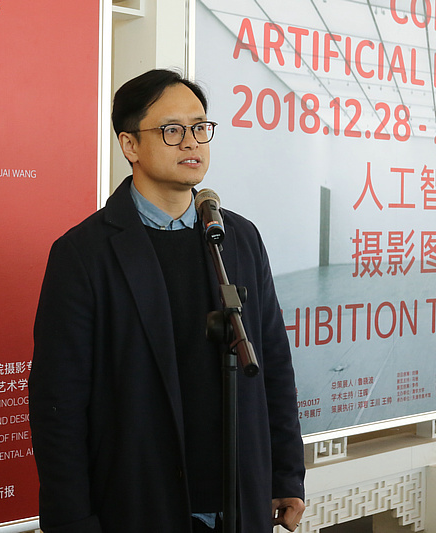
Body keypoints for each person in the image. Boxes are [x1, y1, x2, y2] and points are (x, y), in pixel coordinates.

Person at [28, 69, 306, 533]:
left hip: (239, 500)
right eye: (172, 130)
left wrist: (285, 473)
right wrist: (72, 520)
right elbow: (58, 402)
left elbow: (273, 363)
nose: (191, 142)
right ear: (130, 145)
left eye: (199, 128)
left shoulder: (238, 238)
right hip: (137, 500)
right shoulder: (84, 254)